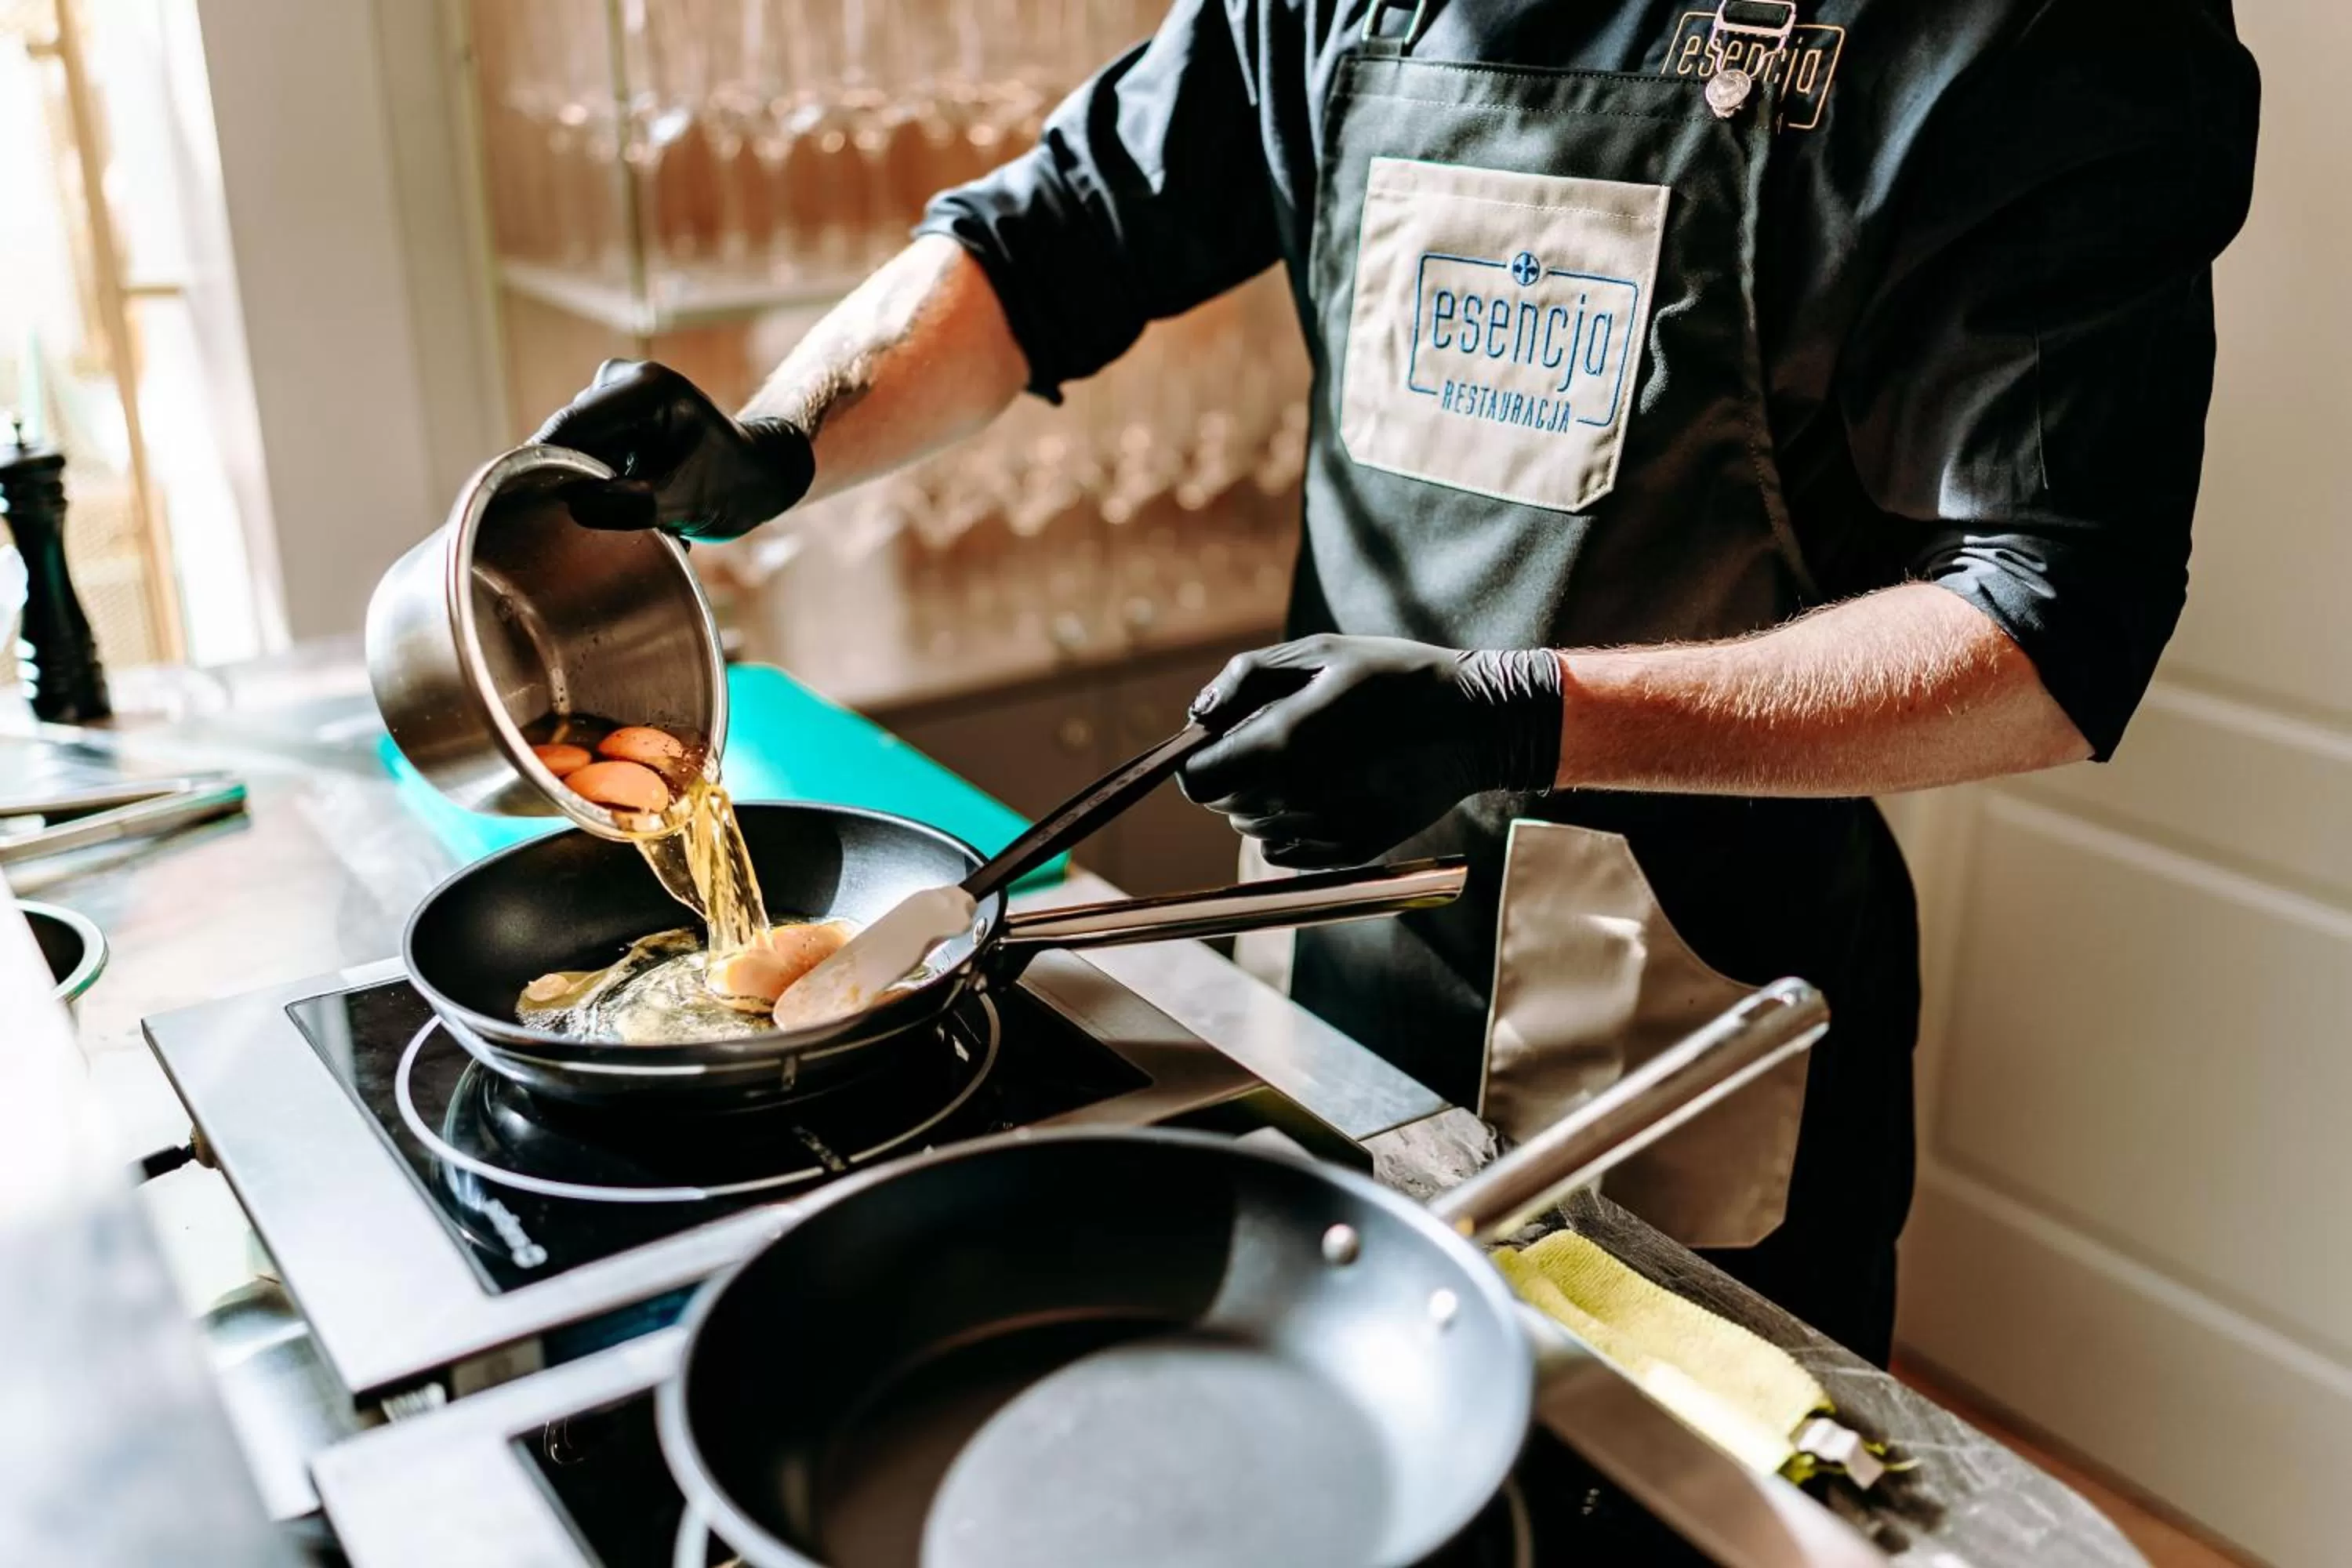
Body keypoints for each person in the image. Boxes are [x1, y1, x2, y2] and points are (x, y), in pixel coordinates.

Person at [533, 0, 2259, 1363]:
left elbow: (2049, 633)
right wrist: (773, 443)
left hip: (1680, 1013)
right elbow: (1048, 242)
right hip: (1325, 942)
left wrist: (1521, 712)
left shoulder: (2025, 32)